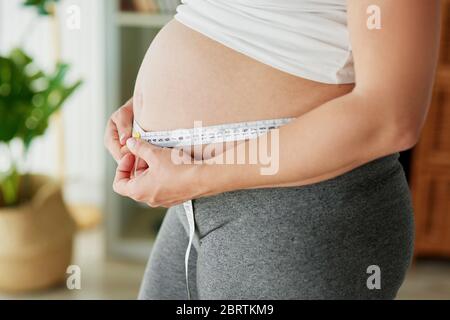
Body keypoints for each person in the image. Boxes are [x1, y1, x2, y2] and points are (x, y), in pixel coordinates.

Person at [104, 0, 441, 299]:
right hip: (193, 203)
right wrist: (148, 107)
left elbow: (392, 117)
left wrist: (199, 173)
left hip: (298, 210)